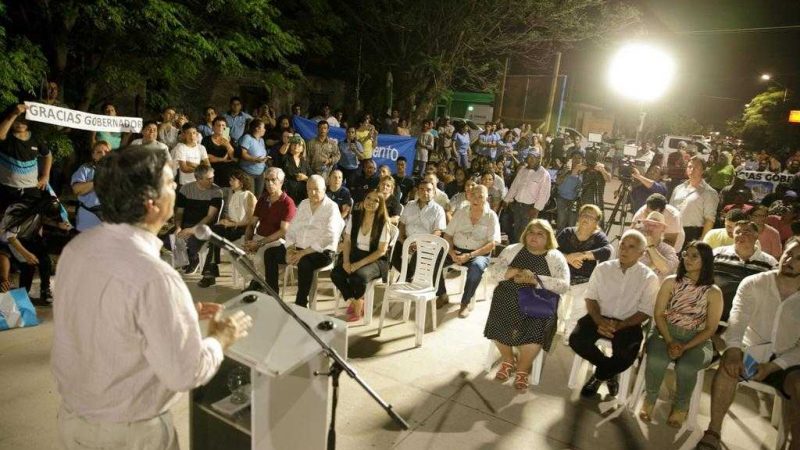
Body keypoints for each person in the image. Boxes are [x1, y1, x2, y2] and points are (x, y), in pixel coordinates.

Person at [51, 147, 251, 449]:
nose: (175, 188)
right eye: (170, 183)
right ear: (152, 203)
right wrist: (220, 338)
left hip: (73, 422)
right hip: (130, 435)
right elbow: (186, 373)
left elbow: (104, 318)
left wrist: (173, 313)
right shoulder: (154, 277)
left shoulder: (78, 249)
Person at [695, 241, 800, 450]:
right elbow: (737, 321)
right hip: (751, 354)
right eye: (789, 254)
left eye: (799, 259)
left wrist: (773, 366)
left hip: (787, 362)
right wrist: (733, 350)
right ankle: (713, 432)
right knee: (729, 366)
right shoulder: (754, 283)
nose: (789, 261)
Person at [568, 230, 660, 397]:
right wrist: (599, 320)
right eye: (623, 245)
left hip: (628, 323)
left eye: (631, 247)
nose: (624, 250)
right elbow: (591, 298)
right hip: (598, 316)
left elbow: (646, 311)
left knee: (627, 354)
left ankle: (599, 375)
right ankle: (610, 372)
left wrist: (621, 325)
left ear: (642, 253)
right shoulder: (603, 269)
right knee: (576, 340)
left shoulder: (649, 277)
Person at [640, 242, 722, 427]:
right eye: (686, 254)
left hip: (697, 339)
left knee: (686, 367)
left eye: (695, 256)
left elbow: (711, 328)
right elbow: (659, 313)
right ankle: (650, 400)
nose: (687, 259)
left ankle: (680, 407)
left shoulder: (713, 292)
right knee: (657, 360)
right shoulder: (671, 282)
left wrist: (685, 346)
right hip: (666, 331)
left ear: (706, 261)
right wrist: (670, 341)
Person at [484, 219, 570, 390]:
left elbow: (564, 285)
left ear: (548, 238)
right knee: (498, 317)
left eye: (540, 234)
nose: (534, 237)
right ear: (525, 234)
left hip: (538, 302)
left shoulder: (555, 257)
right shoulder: (512, 250)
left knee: (536, 328)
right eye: (531, 232)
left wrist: (536, 279)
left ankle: (523, 369)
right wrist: (512, 272)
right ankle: (508, 360)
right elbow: (493, 272)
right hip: (507, 298)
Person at [256, 175, 343, 308]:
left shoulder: (332, 207)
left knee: (304, 263)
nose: (313, 193)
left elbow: (329, 237)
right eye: (309, 189)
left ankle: (301, 303)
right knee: (270, 254)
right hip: (298, 248)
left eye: (316, 189)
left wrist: (303, 253)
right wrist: (290, 248)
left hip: (321, 251)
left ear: (324, 189)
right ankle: (273, 295)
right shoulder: (303, 204)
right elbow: (291, 229)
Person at [331, 190, 391, 322]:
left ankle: (357, 304)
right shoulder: (355, 216)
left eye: (376, 200)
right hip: (355, 254)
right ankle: (356, 301)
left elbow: (381, 251)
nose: (370, 202)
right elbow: (347, 241)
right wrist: (346, 261)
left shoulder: (383, 223)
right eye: (368, 198)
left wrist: (358, 264)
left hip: (376, 260)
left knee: (358, 277)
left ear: (380, 205)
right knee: (336, 273)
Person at [443, 185, 501, 318]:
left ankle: (465, 303)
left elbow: (492, 243)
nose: (476, 198)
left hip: (478, 253)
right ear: (469, 195)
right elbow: (448, 235)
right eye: (473, 194)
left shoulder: (491, 216)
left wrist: (470, 255)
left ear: (487, 198)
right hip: (456, 250)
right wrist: (451, 252)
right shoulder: (461, 212)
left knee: (476, 268)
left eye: (480, 196)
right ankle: (442, 294)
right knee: (435, 259)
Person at [556, 204, 613, 337]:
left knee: (580, 308)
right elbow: (552, 250)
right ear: (579, 217)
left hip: (584, 281)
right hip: (562, 276)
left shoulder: (599, 237)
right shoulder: (567, 232)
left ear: (596, 222)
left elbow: (607, 251)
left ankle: (570, 335)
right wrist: (568, 258)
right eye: (584, 214)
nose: (586, 218)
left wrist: (583, 255)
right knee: (552, 304)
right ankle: (552, 328)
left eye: (590, 216)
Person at [0, 192, 66, 303]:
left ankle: (45, 291)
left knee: (45, 259)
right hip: (10, 241)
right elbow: (10, 237)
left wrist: (58, 225)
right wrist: (27, 254)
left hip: (27, 237)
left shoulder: (39, 209)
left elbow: (44, 219)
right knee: (28, 264)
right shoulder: (18, 211)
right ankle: (22, 295)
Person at [713, 221, 779, 327]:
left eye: (746, 232)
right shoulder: (716, 254)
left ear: (756, 235)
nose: (741, 235)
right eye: (737, 232)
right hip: (714, 317)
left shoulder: (770, 263)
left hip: (748, 324)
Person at [198, 170, 256, 287]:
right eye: (230, 179)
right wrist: (226, 220)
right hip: (232, 227)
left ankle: (210, 274)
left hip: (243, 230)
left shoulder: (248, 195)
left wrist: (231, 224)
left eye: (233, 180)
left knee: (214, 234)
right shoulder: (234, 195)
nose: (230, 182)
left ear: (241, 182)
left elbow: (250, 220)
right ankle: (210, 272)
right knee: (215, 231)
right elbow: (234, 216)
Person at [394, 179, 448, 302]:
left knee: (422, 257)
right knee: (392, 253)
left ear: (434, 192)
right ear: (418, 191)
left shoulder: (438, 209)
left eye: (428, 190)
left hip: (427, 244)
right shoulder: (410, 205)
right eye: (422, 189)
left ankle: (411, 279)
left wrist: (420, 245)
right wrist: (403, 241)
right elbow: (402, 225)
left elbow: (437, 232)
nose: (425, 192)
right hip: (406, 241)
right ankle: (407, 276)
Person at [0, 104, 52, 212]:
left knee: (31, 221)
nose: (20, 123)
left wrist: (45, 175)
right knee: (5, 224)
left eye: (24, 119)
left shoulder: (36, 138)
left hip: (31, 189)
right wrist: (14, 113)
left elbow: (48, 155)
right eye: (17, 119)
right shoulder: (6, 137)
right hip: (7, 189)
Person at [173, 164, 223, 273]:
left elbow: (210, 216)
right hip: (186, 224)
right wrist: (178, 227)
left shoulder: (216, 191)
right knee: (168, 239)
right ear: (198, 178)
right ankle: (186, 259)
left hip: (204, 226)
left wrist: (192, 230)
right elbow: (179, 212)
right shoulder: (185, 189)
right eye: (208, 179)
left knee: (192, 241)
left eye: (212, 177)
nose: (212, 181)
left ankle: (194, 259)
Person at [243, 167, 296, 269]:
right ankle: (255, 280)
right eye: (267, 180)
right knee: (234, 251)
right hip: (258, 237)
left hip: (275, 242)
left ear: (281, 182)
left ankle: (258, 282)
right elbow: (252, 223)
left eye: (273, 180)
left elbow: (283, 231)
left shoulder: (288, 203)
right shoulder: (263, 199)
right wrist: (247, 242)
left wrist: (258, 244)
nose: (269, 183)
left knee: (258, 258)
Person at [502, 151, 551, 243]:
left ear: (539, 159)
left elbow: (544, 194)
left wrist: (536, 209)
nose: (530, 160)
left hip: (530, 208)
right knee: (516, 228)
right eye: (529, 157)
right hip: (517, 205)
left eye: (533, 158)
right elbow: (514, 186)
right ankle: (516, 248)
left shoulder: (544, 174)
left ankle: (524, 250)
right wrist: (506, 199)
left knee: (527, 230)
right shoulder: (523, 170)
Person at [670, 156, 720, 244]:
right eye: (689, 167)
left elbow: (709, 220)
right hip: (674, 232)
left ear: (703, 171)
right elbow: (670, 211)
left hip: (693, 234)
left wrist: (702, 240)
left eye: (696, 167)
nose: (692, 169)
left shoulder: (709, 192)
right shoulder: (679, 188)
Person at [71, 141, 110, 232]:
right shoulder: (85, 169)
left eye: (107, 152)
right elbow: (77, 190)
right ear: (93, 155)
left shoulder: (118, 170)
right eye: (99, 152)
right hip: (89, 217)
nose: (104, 154)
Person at [638, 211, 680, 280]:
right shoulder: (636, 246)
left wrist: (650, 246)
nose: (650, 228)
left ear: (663, 229)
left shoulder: (668, 250)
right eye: (648, 224)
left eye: (655, 225)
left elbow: (666, 269)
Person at [201, 116, 236, 188]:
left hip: (227, 176)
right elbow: (206, 157)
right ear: (213, 127)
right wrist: (222, 159)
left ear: (226, 128)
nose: (221, 127)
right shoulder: (206, 140)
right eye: (218, 125)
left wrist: (227, 144)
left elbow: (234, 158)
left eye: (223, 125)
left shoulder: (231, 140)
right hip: (212, 174)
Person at [238, 119, 268, 197]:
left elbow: (262, 154)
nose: (265, 129)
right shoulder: (247, 138)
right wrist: (255, 159)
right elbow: (243, 154)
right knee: (250, 197)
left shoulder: (261, 140)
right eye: (263, 127)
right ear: (257, 128)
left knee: (258, 197)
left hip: (260, 173)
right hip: (248, 173)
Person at [554, 151, 583, 231]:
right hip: (562, 198)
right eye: (575, 158)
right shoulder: (565, 168)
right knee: (561, 221)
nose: (577, 160)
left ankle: (569, 241)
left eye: (579, 158)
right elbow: (557, 182)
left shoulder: (583, 172)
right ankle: (559, 240)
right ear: (571, 159)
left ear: (582, 160)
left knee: (572, 223)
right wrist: (565, 172)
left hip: (574, 201)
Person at [282, 134, 312, 204]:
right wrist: (289, 141)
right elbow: (281, 153)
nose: (296, 146)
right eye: (294, 144)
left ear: (303, 149)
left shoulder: (304, 162)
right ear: (290, 145)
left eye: (299, 145)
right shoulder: (285, 157)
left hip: (301, 195)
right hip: (286, 193)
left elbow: (312, 176)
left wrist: (305, 178)